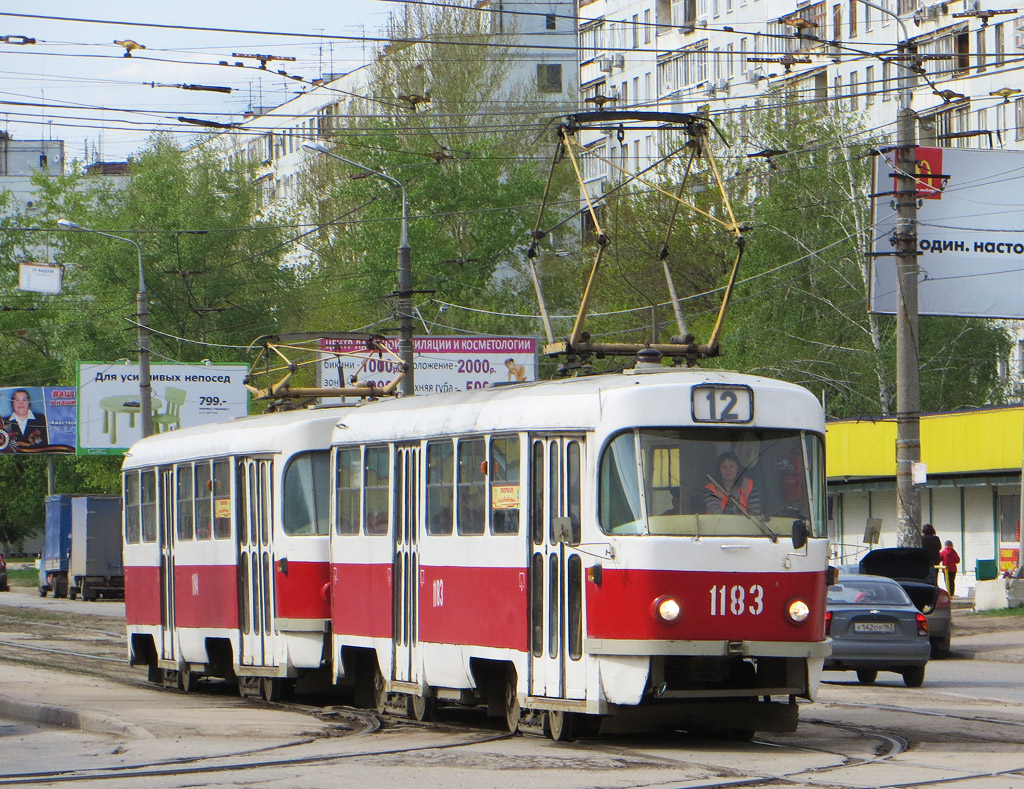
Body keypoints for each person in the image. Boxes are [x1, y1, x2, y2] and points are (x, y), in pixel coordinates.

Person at [704, 451, 761, 515]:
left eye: (731, 466)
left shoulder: (749, 485)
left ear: (737, 468)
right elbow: (717, 515)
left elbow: (755, 514)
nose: (728, 470)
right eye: (724, 467)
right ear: (719, 470)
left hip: (744, 524)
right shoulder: (710, 489)